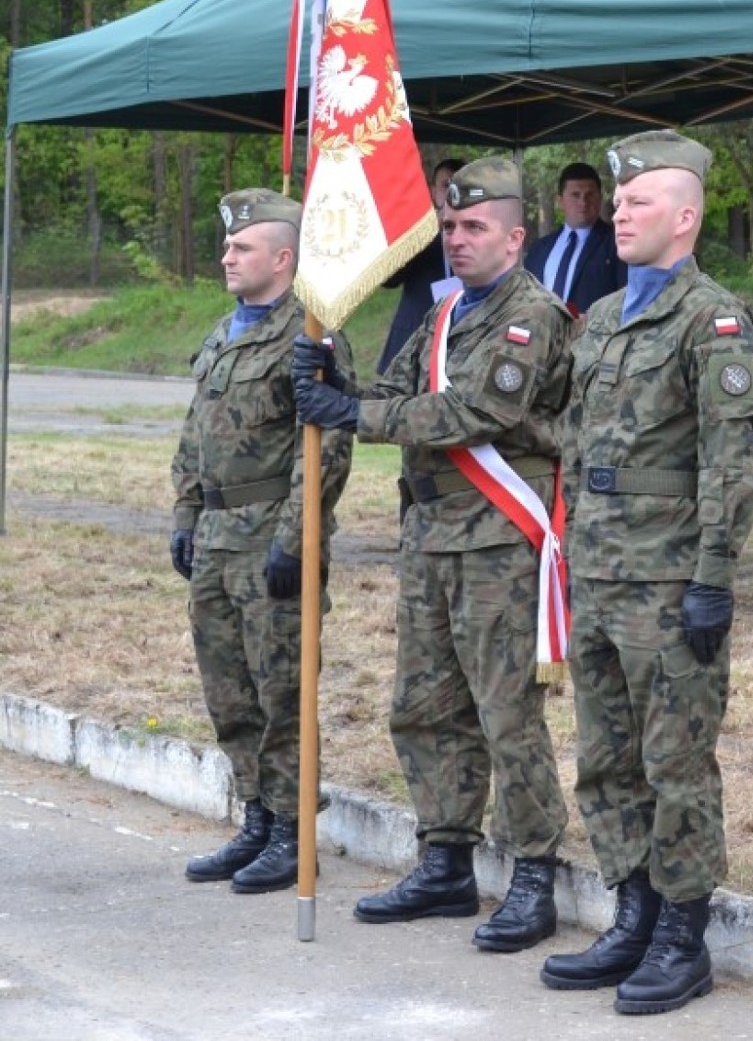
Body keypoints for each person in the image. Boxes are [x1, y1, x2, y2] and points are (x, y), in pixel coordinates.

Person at [292, 156, 573, 953]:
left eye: (474, 226)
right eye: (449, 226)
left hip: (496, 541)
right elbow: (395, 388)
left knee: (506, 712)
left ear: (516, 236)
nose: (457, 239)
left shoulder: (533, 315)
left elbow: (476, 410)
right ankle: (445, 857)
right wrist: (335, 383)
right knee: (423, 705)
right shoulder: (445, 314)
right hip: (431, 538)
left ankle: (532, 875)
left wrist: (354, 414)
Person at [540, 131, 753, 1013]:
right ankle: (632, 909)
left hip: (670, 580)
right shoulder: (600, 318)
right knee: (607, 758)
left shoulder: (712, 318)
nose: (619, 211)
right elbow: (569, 437)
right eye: (617, 198)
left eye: (636, 202)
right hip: (599, 573)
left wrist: (714, 572)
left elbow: (733, 458)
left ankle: (682, 930)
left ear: (685, 216)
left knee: (675, 759)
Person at [170, 188, 353, 895]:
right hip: (217, 535)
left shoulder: (309, 331)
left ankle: (290, 828)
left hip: (270, 535)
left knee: (283, 690)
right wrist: (185, 514)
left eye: (241, 247)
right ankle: (254, 814)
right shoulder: (225, 331)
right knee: (230, 689)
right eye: (226, 245)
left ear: (283, 257)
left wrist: (296, 538)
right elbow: (194, 435)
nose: (227, 255)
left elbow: (327, 441)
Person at [376, 156, 466, 372]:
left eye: (459, 186)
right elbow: (388, 279)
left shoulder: (477, 233)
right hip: (413, 339)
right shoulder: (414, 230)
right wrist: (422, 234)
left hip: (462, 340)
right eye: (446, 186)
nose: (452, 192)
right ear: (433, 192)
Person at [525, 161, 626, 313]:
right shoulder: (539, 249)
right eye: (575, 195)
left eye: (590, 195)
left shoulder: (617, 243)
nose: (583, 202)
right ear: (560, 201)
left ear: (600, 197)